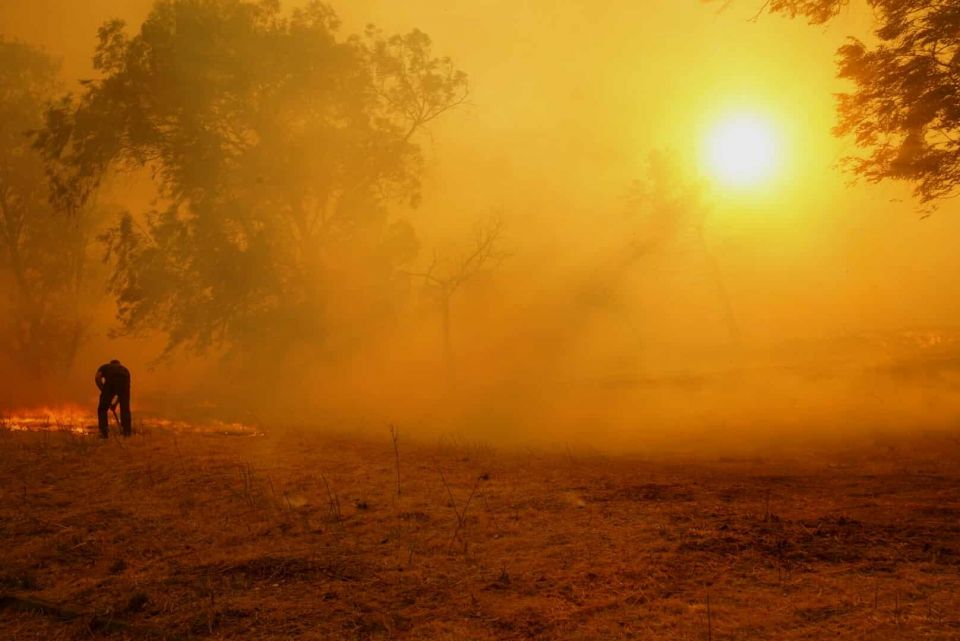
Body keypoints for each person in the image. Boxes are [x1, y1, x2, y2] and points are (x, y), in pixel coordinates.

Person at [95, 359, 132, 438]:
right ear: (119, 364)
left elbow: (97, 378)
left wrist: (103, 390)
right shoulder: (125, 369)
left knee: (102, 409)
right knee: (125, 409)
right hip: (124, 383)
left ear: (111, 363)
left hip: (111, 382)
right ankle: (127, 433)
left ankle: (103, 433)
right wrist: (115, 403)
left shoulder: (105, 366)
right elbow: (124, 391)